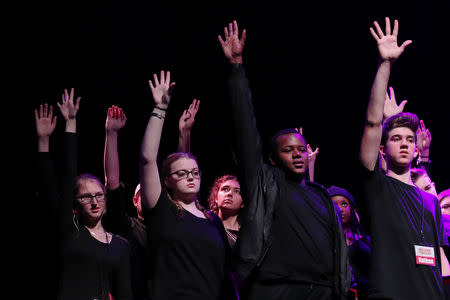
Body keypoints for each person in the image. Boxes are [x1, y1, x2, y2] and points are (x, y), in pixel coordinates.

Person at [218, 20, 350, 299]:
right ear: (272, 159)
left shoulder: (321, 195)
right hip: (275, 289)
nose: (297, 154)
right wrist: (236, 70)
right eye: (288, 150)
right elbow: (245, 131)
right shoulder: (264, 181)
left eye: (301, 149)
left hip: (322, 292)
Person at [358, 17, 449, 299]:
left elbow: (440, 261)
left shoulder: (431, 201)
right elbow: (373, 124)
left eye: (410, 139)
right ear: (383, 149)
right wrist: (386, 64)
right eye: (396, 139)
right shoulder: (378, 186)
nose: (405, 144)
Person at [139, 70, 237, 299]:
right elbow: (147, 159)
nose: (191, 177)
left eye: (195, 173)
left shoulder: (212, 220)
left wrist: (186, 134)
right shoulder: (162, 209)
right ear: (167, 181)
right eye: (182, 174)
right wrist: (160, 109)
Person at [34, 89, 133, 300]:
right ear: (75, 202)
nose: (95, 201)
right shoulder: (71, 233)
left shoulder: (120, 245)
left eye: (99, 195)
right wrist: (69, 124)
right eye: (86, 197)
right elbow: (64, 177)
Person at [102, 105, 151, 300]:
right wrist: (111, 133)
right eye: (143, 191)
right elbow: (112, 184)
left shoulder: (170, 223)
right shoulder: (129, 226)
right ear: (135, 200)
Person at [328, 186, 370, 300]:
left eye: (344, 204)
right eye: (334, 205)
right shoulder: (325, 242)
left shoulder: (366, 241)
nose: (340, 209)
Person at [208, 175, 244, 248]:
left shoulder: (248, 234)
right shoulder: (206, 227)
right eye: (225, 189)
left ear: (243, 203)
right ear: (216, 197)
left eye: (237, 191)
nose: (229, 194)